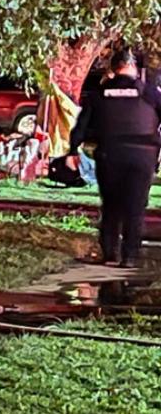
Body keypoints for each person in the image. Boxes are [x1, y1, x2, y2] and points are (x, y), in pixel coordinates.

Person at [66, 45, 161, 266]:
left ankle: (110, 252)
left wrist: (72, 151)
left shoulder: (100, 94)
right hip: (142, 156)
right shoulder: (147, 92)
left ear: (114, 68)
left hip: (110, 155)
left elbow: (81, 126)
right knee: (135, 207)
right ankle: (130, 256)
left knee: (111, 205)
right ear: (132, 67)